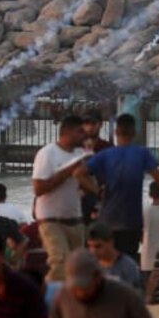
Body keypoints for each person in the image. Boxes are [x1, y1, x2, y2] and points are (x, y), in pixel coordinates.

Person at [86, 114, 159, 261]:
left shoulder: (106, 154)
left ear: (116, 132)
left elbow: (79, 173)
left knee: (106, 262)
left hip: (107, 220)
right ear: (134, 133)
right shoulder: (142, 153)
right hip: (131, 221)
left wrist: (97, 191)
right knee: (126, 261)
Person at [33, 116, 98, 281]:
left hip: (75, 220)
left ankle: (71, 303)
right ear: (67, 132)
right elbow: (39, 188)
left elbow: (89, 187)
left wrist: (89, 168)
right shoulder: (47, 153)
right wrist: (70, 170)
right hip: (50, 220)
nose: (85, 135)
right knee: (59, 265)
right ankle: (45, 300)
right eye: (80, 131)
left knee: (78, 269)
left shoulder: (80, 154)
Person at [88, 223, 144, 292]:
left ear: (110, 242)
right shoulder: (90, 266)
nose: (93, 251)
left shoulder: (127, 266)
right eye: (90, 246)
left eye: (98, 246)